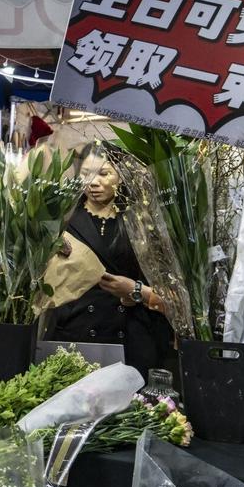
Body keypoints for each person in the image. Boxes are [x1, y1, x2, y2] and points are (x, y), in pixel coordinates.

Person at [47, 147, 175, 376]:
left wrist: (135, 291)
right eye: (86, 173)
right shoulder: (64, 219)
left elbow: (169, 290)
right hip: (76, 332)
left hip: (131, 335)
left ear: (122, 175)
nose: (93, 182)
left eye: (104, 174)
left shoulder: (143, 222)